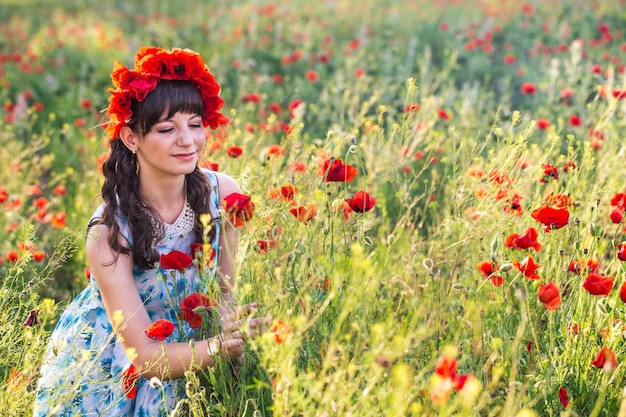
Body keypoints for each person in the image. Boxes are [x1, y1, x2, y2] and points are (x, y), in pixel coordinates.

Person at [33, 46, 267, 416]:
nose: (188, 140)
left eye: (194, 124)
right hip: (119, 366)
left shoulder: (225, 194)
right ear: (130, 137)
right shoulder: (109, 232)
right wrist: (221, 347)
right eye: (167, 128)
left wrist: (234, 328)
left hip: (199, 346)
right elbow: (144, 358)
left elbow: (225, 289)